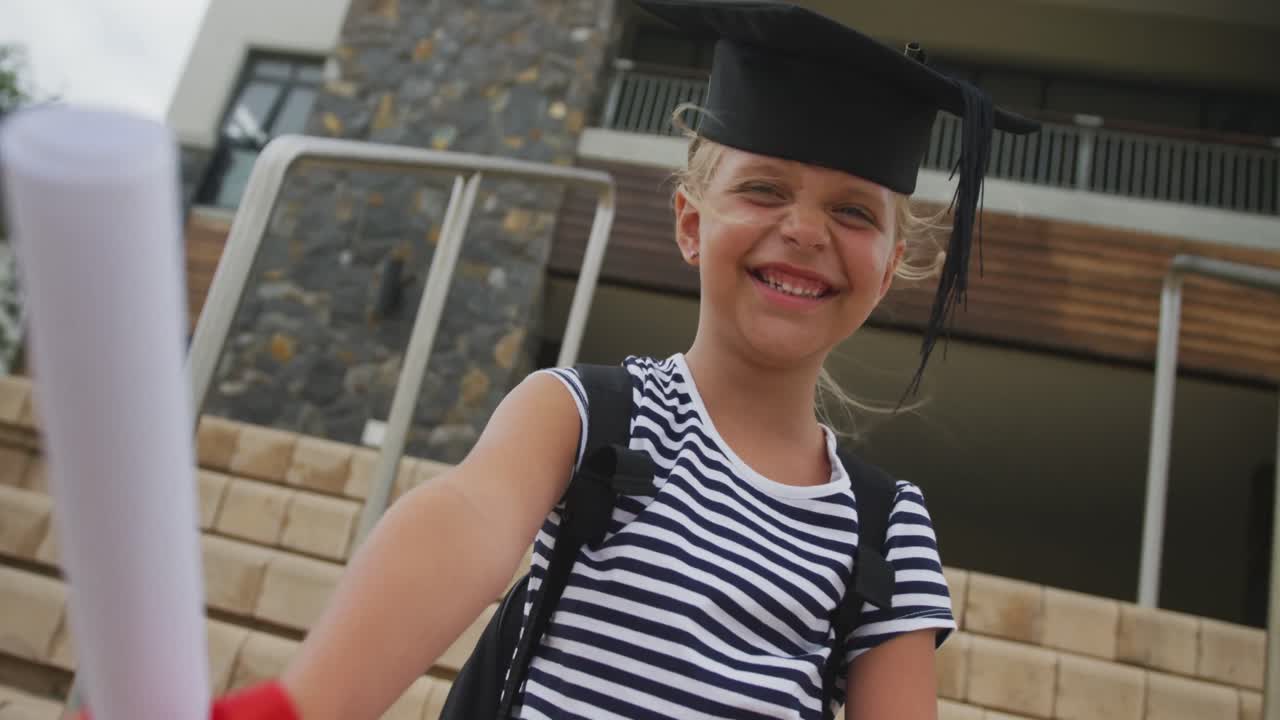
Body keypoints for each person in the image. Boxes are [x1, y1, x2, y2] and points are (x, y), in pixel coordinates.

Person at [275, 2, 1038, 719]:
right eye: (764, 189)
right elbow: (465, 522)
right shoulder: (582, 415)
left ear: (886, 268)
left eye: (852, 211)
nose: (806, 230)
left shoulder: (885, 527)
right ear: (689, 223)